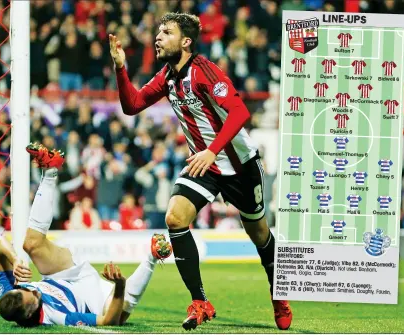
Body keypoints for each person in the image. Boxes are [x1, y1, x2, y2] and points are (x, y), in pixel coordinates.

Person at [109, 12, 292, 331]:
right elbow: (132, 105)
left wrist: (212, 150)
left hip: (238, 165)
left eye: (167, 32)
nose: (158, 37)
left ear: (186, 41)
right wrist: (121, 67)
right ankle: (200, 301)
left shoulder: (204, 71)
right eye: (158, 32)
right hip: (203, 164)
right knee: (175, 218)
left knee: (259, 234)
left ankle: (279, 295)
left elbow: (240, 111)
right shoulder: (167, 76)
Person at [0, 143, 173, 327]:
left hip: (63, 274)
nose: (34, 291)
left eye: (26, 290)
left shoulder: (9, 295)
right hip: (91, 299)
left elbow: (0, 243)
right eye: (33, 298)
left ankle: (50, 170)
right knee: (119, 316)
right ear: (29, 314)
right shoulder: (55, 316)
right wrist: (120, 286)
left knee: (31, 245)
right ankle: (153, 256)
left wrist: (14, 260)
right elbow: (107, 321)